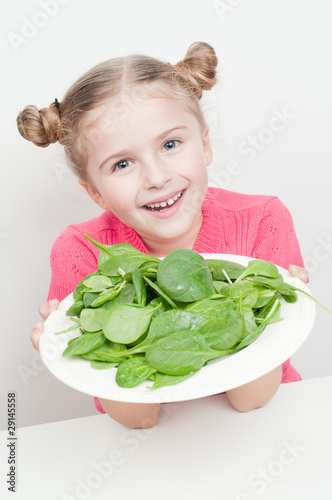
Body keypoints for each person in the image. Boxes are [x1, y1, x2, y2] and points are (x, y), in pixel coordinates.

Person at [17, 41, 308, 429]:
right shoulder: (80, 252)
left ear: (204, 144)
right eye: (122, 164)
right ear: (95, 192)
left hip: (267, 426)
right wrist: (86, 347)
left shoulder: (262, 220)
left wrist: (269, 303)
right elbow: (139, 419)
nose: (157, 179)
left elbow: (251, 401)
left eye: (171, 144)